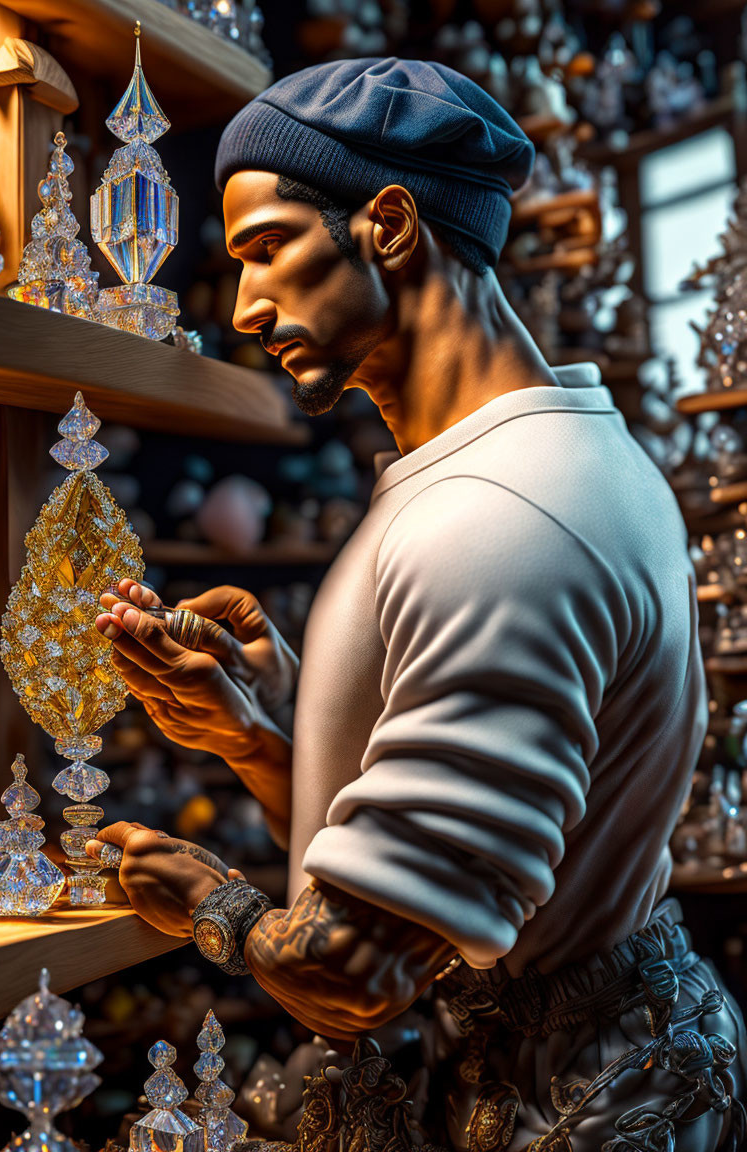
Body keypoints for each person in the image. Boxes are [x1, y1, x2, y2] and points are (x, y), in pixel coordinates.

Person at [88, 59, 747, 1150]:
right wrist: (266, 737)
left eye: (267, 248)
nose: (246, 304)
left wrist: (203, 899)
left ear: (386, 224)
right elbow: (439, 892)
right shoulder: (517, 464)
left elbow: (356, 975)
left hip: (578, 1110)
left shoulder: (503, 517)